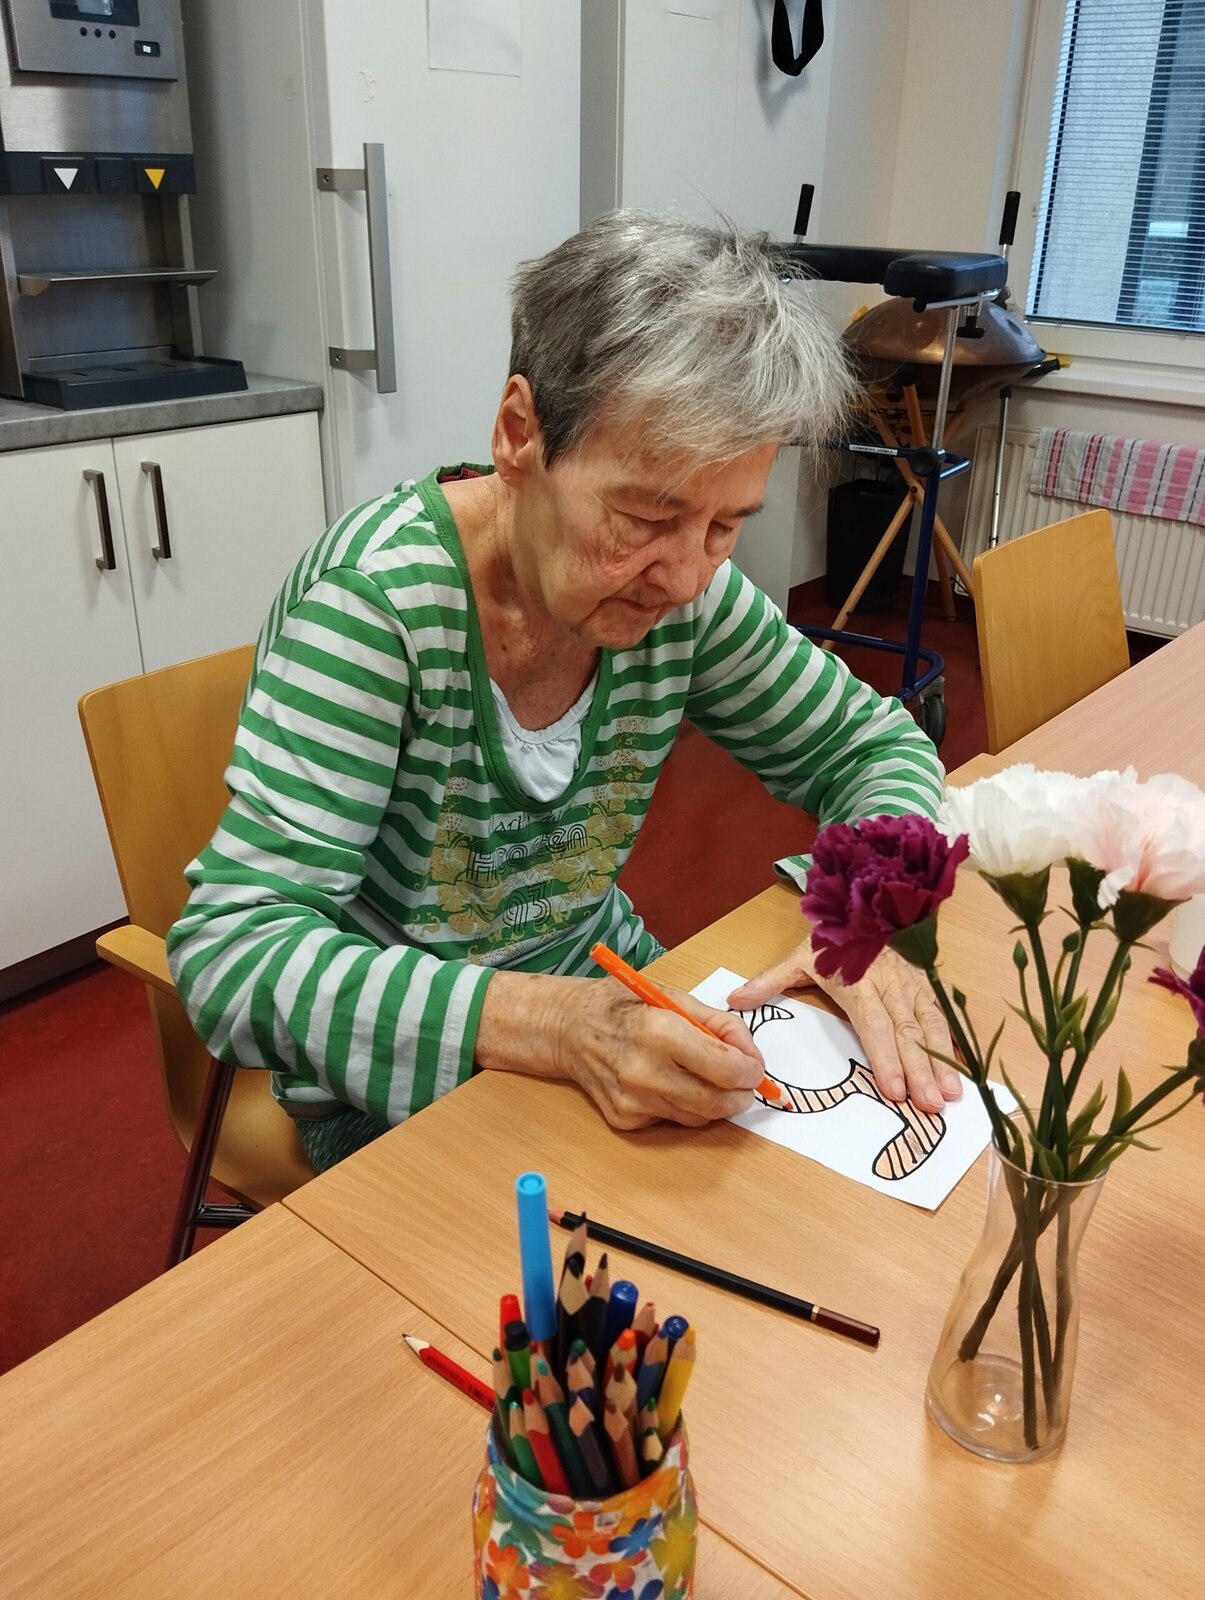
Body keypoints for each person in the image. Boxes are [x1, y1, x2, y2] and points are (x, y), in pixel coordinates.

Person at [167, 211, 960, 1174]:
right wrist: (554, 1024)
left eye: (725, 527)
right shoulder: (377, 610)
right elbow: (233, 955)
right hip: (398, 1080)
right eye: (645, 516)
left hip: (610, 992)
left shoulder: (680, 597)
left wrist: (863, 916)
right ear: (519, 435)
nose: (685, 577)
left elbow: (868, 746)